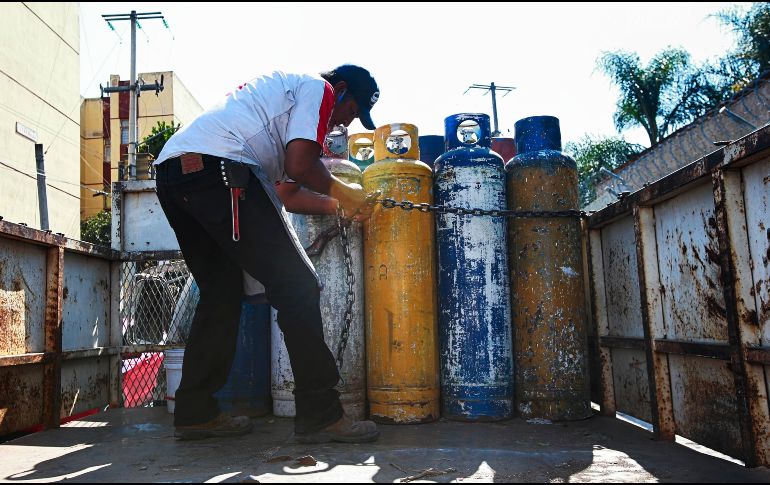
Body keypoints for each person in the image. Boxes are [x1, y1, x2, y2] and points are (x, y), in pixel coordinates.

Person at [152, 65, 381, 443]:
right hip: (221, 170)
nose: (344, 124)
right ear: (339, 90)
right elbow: (300, 167)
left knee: (221, 292)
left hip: (176, 174)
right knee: (298, 285)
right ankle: (321, 414)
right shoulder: (318, 89)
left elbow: (287, 193)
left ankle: (194, 412)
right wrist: (348, 191)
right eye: (350, 112)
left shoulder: (274, 114)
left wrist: (340, 206)